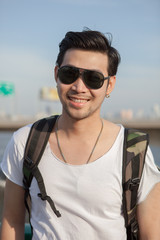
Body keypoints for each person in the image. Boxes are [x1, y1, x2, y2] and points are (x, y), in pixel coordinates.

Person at [1, 29, 160, 240]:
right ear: (56, 74)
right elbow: (12, 222)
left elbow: (151, 233)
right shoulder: (25, 141)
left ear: (109, 85)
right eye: (69, 74)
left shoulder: (134, 150)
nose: (79, 87)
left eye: (93, 78)